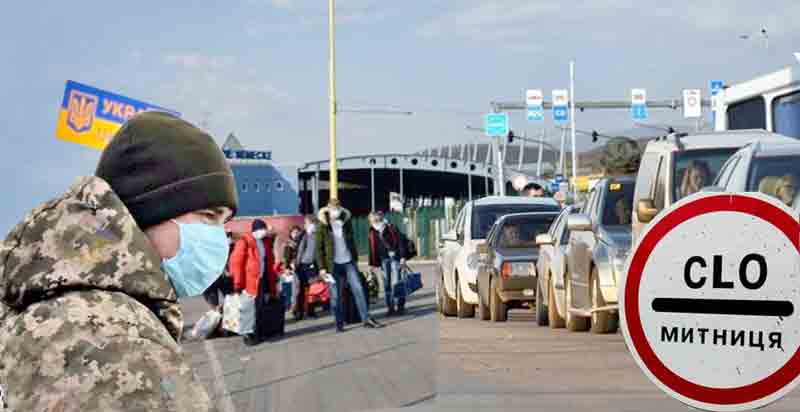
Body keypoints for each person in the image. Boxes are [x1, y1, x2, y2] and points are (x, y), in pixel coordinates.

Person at [0, 111, 236, 410]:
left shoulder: (54, 303)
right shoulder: (119, 345)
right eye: (209, 216)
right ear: (150, 209)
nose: (219, 236)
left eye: (225, 221)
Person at [316, 199, 383, 332]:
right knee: (336, 295)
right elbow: (319, 249)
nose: (335, 210)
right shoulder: (323, 225)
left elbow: (351, 240)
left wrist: (355, 257)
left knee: (359, 289)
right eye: (333, 208)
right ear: (328, 209)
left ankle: (366, 319)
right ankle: (339, 324)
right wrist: (322, 268)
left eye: (337, 207)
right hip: (332, 265)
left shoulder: (346, 222)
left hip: (348, 261)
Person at [230, 219, 278, 345]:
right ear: (255, 230)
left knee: (259, 308)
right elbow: (237, 263)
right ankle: (248, 336)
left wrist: (272, 281)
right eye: (261, 229)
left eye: (264, 229)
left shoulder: (265, 242)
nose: (264, 231)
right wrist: (238, 284)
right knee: (248, 309)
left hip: (261, 280)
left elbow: (269, 261)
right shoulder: (244, 242)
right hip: (248, 282)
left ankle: (258, 333)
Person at [367, 211, 408, 316]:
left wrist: (403, 257)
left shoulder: (391, 227)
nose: (372, 223)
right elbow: (371, 248)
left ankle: (400, 306)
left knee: (398, 282)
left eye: (374, 220)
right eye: (371, 221)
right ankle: (390, 308)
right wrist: (371, 264)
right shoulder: (372, 231)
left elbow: (400, 242)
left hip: (396, 258)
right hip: (383, 259)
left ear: (379, 219)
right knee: (387, 284)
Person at [294, 215, 319, 319]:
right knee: (301, 289)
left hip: (313, 265)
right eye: (306, 223)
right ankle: (299, 311)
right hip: (303, 265)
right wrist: (297, 264)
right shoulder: (303, 234)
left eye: (308, 223)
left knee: (313, 289)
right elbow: (300, 250)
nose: (306, 225)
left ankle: (311, 311)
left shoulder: (317, 234)